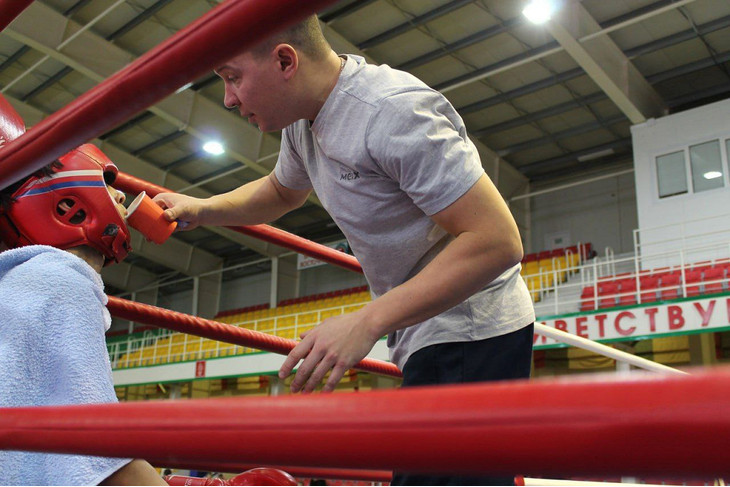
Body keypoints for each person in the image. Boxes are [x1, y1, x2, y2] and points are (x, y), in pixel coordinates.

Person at [155, 16, 535, 485]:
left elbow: (497, 240)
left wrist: (366, 321)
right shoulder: (304, 123)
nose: (229, 98)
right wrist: (199, 207)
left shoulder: (391, 111)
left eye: (233, 77)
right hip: (431, 330)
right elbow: (280, 191)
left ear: (284, 60)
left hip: (471, 328)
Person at [0, 97, 166, 486]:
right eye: (108, 183)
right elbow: (95, 451)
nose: (123, 197)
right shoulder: (60, 280)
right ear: (69, 202)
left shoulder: (26, 279)